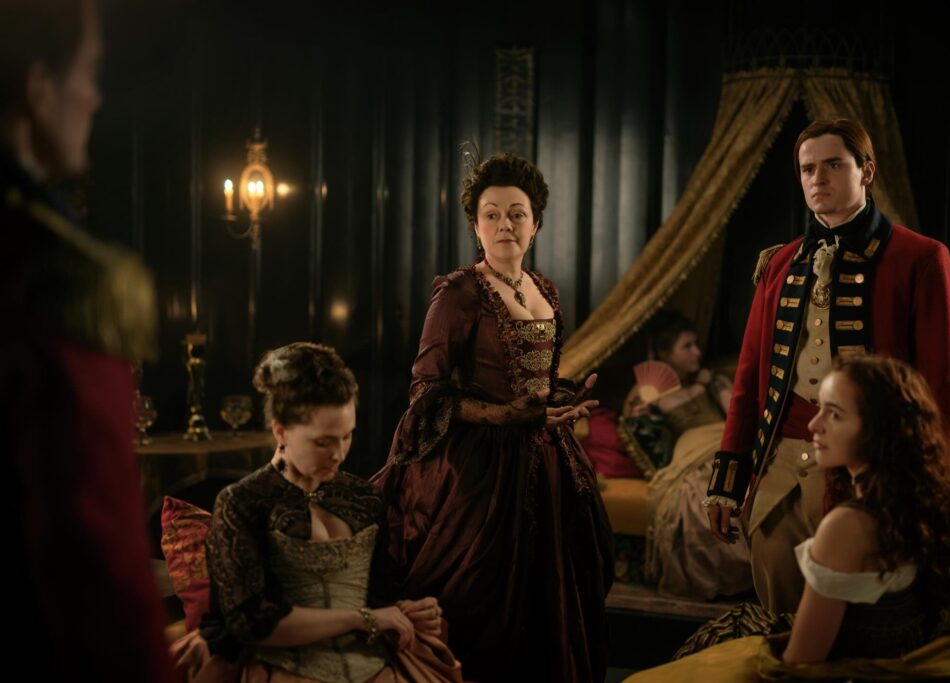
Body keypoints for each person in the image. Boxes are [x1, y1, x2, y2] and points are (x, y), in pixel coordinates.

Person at [705, 118, 950, 613]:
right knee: (780, 621)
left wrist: (928, 482)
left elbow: (944, 386)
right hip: (781, 467)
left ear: (866, 171)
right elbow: (749, 378)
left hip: (875, 466)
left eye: (833, 165)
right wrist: (728, 482)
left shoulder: (921, 259)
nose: (817, 178)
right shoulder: (780, 263)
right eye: (808, 169)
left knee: (863, 624)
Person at [627, 356, 950, 681]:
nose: (814, 425)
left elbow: (802, 663)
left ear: (879, 429)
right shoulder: (945, 509)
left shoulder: (848, 527)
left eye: (834, 414)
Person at [372, 153, 614, 682]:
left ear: (536, 223)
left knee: (558, 589)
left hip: (548, 461)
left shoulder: (544, 289)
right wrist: (505, 415)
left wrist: (563, 397)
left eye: (517, 214)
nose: (505, 224)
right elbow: (426, 390)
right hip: (480, 471)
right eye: (492, 214)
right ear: (475, 226)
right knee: (481, 596)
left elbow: (538, 381)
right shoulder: (458, 294)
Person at [0, 1, 172, 680]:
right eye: (88, 73)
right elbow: (94, 549)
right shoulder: (62, 276)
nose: (94, 98)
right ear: (39, 88)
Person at [195, 343, 462, 682]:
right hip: (278, 664)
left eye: (346, 436)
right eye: (323, 442)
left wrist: (407, 610)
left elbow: (380, 593)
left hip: (369, 658)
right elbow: (250, 623)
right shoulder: (241, 502)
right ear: (281, 431)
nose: (338, 454)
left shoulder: (364, 498)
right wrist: (362, 618)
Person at [617, 311, 751, 600]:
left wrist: (710, 383)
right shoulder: (650, 388)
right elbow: (631, 420)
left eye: (696, 344)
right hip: (691, 450)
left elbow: (736, 416)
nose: (697, 352)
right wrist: (639, 414)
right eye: (687, 346)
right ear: (666, 353)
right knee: (698, 494)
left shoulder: (711, 381)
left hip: (720, 440)